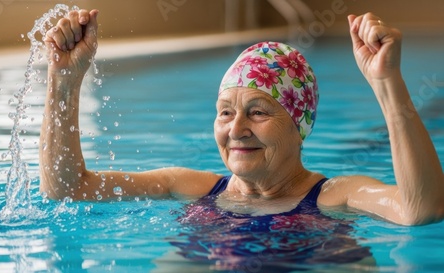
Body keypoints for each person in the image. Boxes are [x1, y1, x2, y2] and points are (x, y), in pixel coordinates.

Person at [39, 9, 444, 227]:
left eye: (258, 112)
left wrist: (386, 81)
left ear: (298, 125)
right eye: (226, 112)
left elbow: (419, 208)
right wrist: (65, 81)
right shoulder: (187, 186)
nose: (236, 129)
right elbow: (67, 190)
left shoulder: (337, 197)